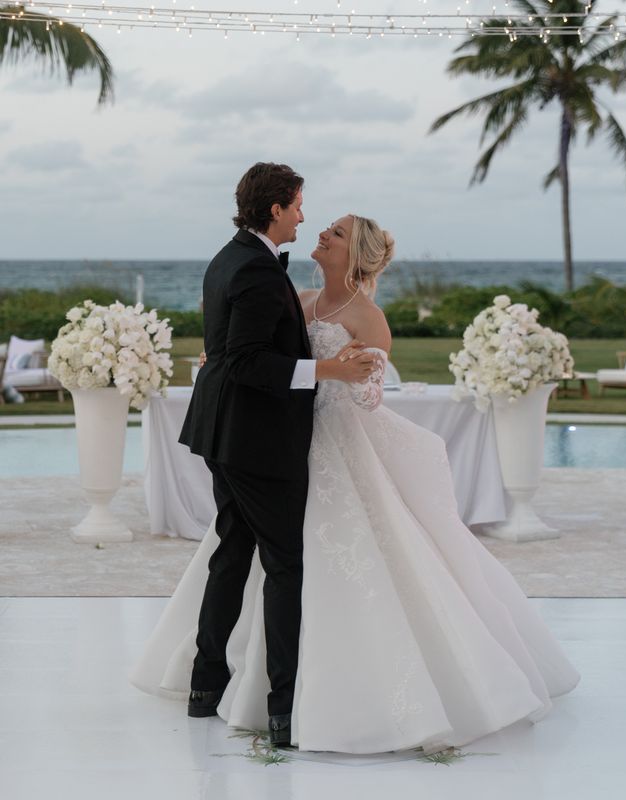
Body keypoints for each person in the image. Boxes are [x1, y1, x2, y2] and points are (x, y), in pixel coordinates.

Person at [131, 213, 579, 754]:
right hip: (279, 442)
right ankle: (233, 678)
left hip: (335, 442)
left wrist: (360, 375)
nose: (322, 233)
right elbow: (261, 355)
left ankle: (315, 696)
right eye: (325, 227)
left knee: (322, 557)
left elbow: (370, 397)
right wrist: (225, 356)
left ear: (356, 254)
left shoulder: (368, 317)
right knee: (253, 555)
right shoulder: (299, 299)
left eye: (337, 233)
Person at [174, 165, 375, 747]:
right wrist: (328, 369)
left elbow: (228, 348)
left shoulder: (229, 257)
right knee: (285, 566)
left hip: (224, 434)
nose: (304, 217)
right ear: (277, 209)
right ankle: (283, 709)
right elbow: (245, 360)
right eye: (298, 205)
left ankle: (205, 686)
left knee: (232, 554)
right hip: (256, 441)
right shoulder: (257, 270)